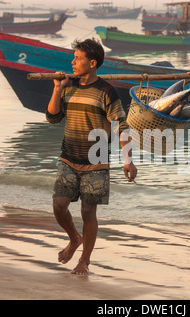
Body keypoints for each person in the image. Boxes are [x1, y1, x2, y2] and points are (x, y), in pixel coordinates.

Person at [46, 38, 137, 275]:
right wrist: (57, 88)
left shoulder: (107, 91)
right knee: (59, 205)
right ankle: (74, 238)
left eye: (78, 59)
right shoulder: (68, 86)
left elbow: (121, 125)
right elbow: (52, 117)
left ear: (92, 63)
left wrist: (128, 159)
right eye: (73, 58)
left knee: (88, 212)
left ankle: (85, 261)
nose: (72, 62)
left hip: (97, 161)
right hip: (68, 156)